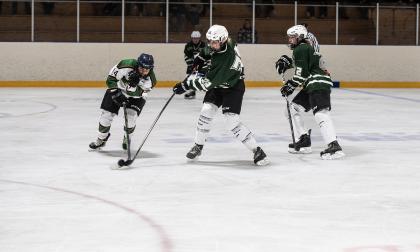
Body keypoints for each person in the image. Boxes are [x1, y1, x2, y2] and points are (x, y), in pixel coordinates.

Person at [172, 24, 269, 166]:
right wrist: (200, 57)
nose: (211, 44)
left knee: (232, 121)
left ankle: (258, 151)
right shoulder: (227, 41)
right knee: (206, 111)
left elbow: (206, 84)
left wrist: (185, 85)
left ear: (222, 41)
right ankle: (198, 146)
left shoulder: (224, 59)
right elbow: (208, 50)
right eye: (209, 41)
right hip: (219, 84)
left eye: (214, 42)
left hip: (233, 87)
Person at [275, 25, 345, 160]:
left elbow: (302, 73)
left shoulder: (301, 48)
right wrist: (288, 64)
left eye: (293, 37)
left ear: (300, 37)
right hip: (312, 84)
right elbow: (304, 67)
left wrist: (290, 85)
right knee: (292, 108)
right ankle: (304, 140)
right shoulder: (305, 48)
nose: (290, 40)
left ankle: (334, 146)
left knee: (320, 114)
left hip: (317, 83)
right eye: (289, 37)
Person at [89, 53, 156, 151]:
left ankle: (127, 138)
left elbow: (140, 93)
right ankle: (101, 139)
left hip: (135, 97)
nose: (144, 72)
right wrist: (116, 93)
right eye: (142, 68)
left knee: (130, 118)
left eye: (147, 69)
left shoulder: (151, 80)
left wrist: (132, 86)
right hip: (118, 89)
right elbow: (110, 79)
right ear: (137, 64)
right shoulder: (126, 64)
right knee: (106, 116)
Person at [183, 30, 206, 99]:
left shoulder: (204, 45)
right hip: (192, 65)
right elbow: (186, 56)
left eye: (197, 38)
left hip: (202, 65)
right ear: (191, 38)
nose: (195, 40)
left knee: (205, 78)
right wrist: (191, 65)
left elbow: (207, 55)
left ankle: (210, 93)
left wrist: (202, 64)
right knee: (189, 78)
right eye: (194, 38)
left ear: (199, 38)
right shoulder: (188, 46)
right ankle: (192, 92)